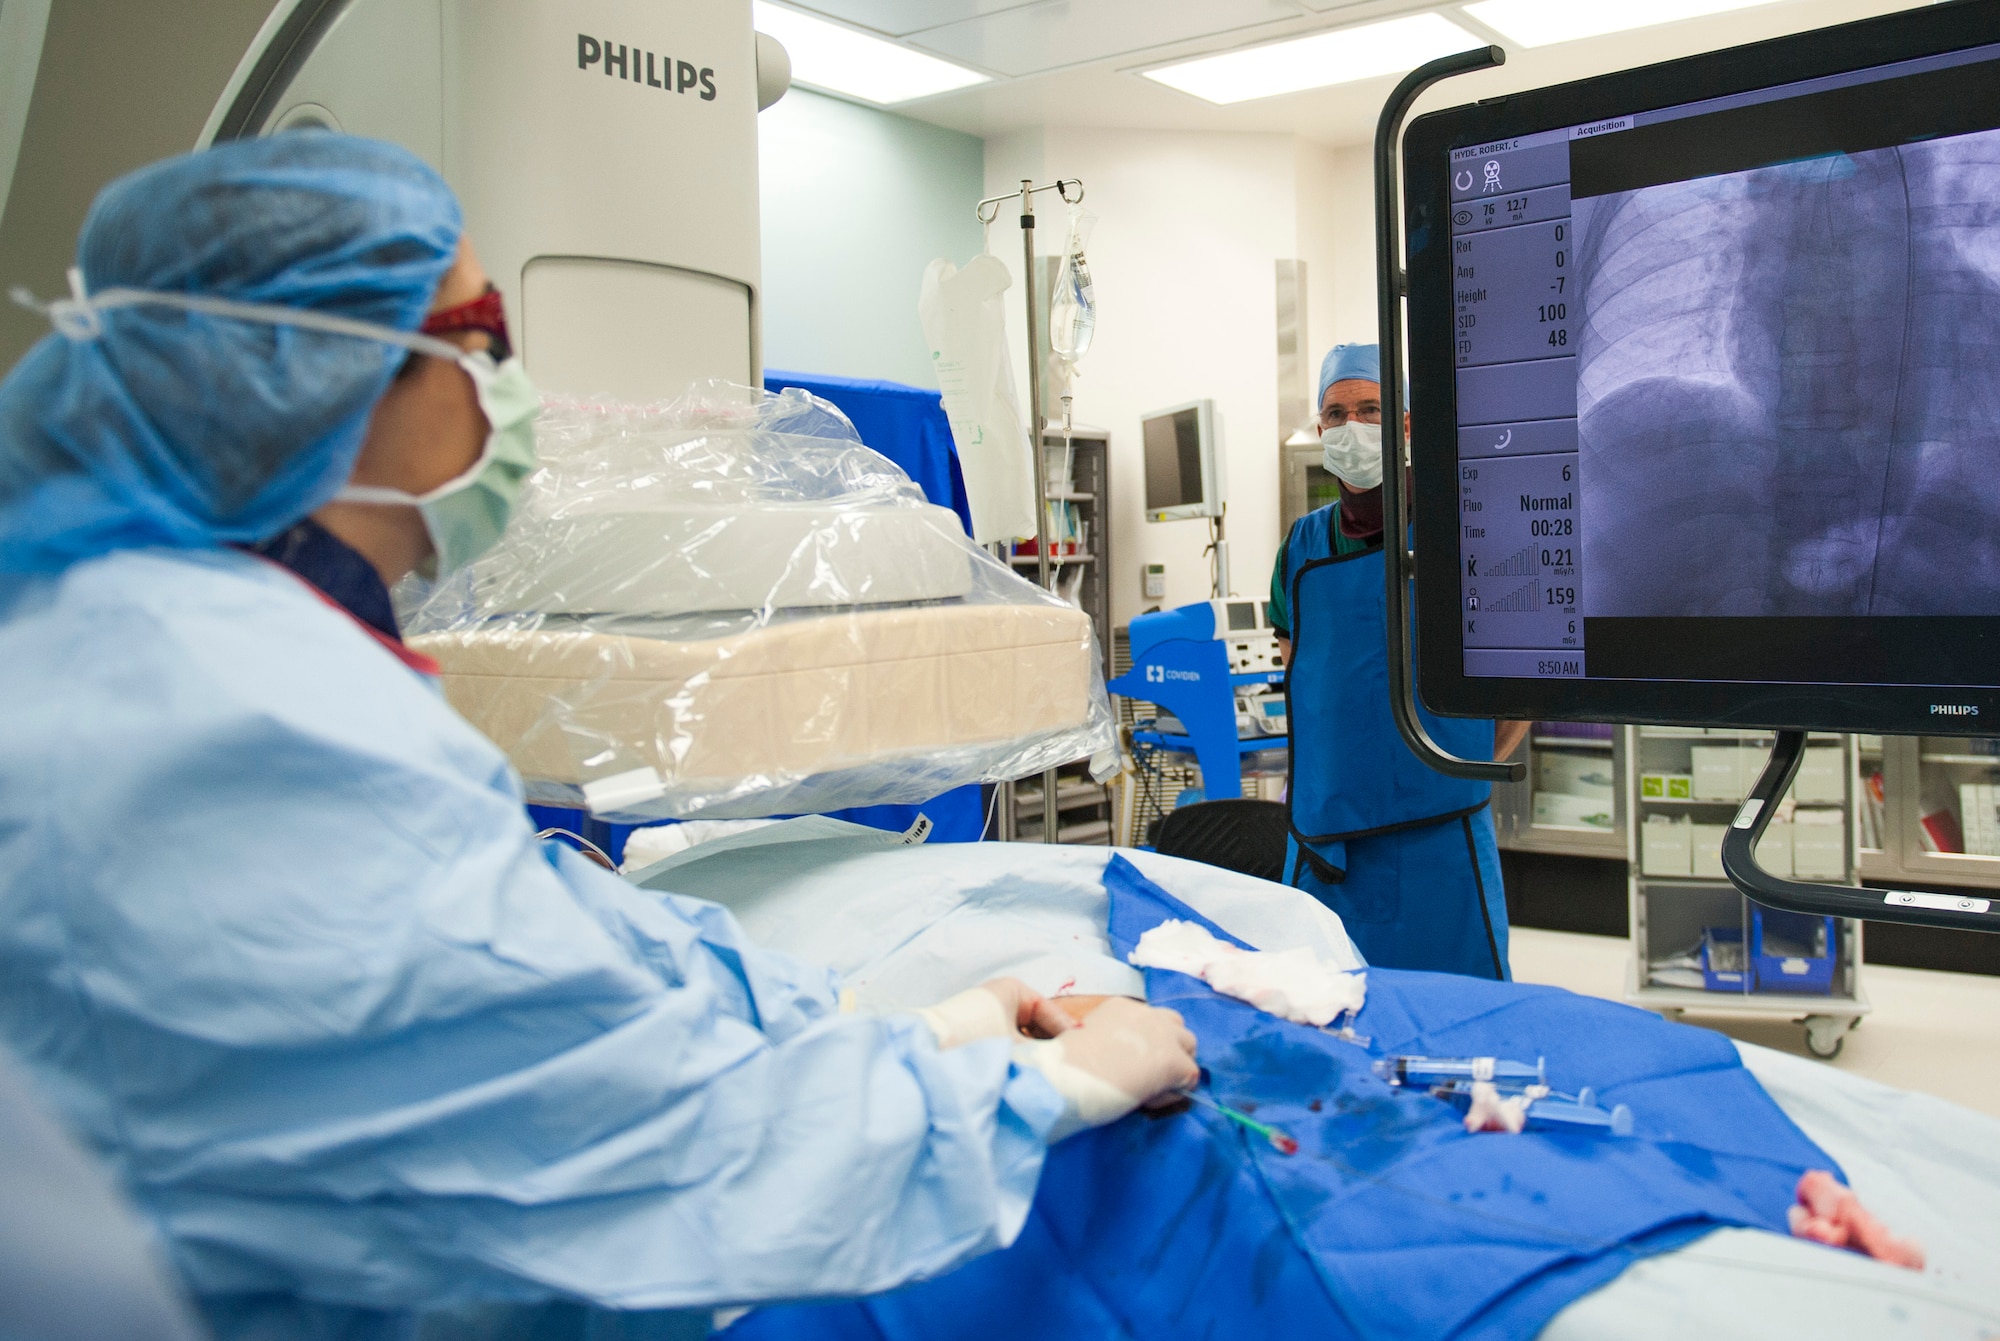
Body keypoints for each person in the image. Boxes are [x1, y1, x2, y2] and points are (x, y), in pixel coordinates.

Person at [0, 133, 1199, 1339]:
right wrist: (1035, 1088)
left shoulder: (168, 640)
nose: (509, 394)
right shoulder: (219, 721)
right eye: (484, 343)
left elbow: (541, 939)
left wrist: (909, 1020)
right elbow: (643, 1130)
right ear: (329, 376)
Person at [1267, 343, 1527, 979]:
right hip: (1330, 841)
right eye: (1335, 414)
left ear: (1406, 424)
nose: (1351, 425)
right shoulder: (1302, 548)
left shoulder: (1462, 530)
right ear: (1322, 428)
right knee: (1321, 1011)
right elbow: (1301, 683)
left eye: (1371, 409)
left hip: (1441, 836)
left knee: (1460, 1018)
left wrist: (1459, 771)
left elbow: (1520, 682)